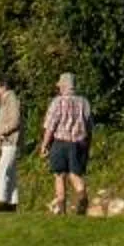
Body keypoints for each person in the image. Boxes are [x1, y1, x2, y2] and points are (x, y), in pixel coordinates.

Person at [42, 73, 93, 216]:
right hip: (79, 143)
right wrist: (88, 146)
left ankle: (62, 211)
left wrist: (44, 144)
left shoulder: (57, 102)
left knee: (59, 175)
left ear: (63, 86)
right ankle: (82, 195)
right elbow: (89, 128)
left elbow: (51, 126)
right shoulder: (84, 102)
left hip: (60, 143)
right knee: (75, 174)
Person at [0, 80, 24, 212]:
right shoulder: (5, 101)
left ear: (3, 87)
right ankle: (12, 203)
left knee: (2, 171)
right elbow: (2, 122)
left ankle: (1, 200)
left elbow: (15, 122)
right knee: (10, 173)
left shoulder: (11, 99)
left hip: (12, 141)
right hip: (7, 141)